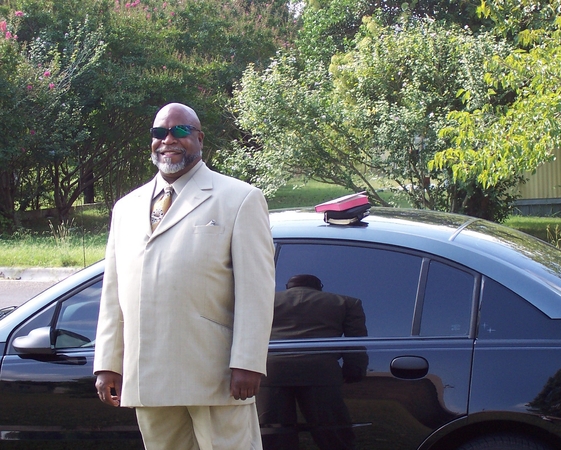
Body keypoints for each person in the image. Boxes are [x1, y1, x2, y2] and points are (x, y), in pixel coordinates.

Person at [94, 102, 275, 450]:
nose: (168, 140)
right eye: (159, 132)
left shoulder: (239, 198)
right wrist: (107, 363)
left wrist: (248, 362)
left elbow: (257, 290)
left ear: (200, 138)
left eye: (180, 131)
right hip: (148, 375)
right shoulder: (127, 207)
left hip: (214, 375)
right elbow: (113, 293)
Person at [257, 274, 368, 450]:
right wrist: (355, 369)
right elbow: (355, 340)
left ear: (288, 286)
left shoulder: (265, 300)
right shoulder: (347, 302)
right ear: (319, 287)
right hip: (321, 374)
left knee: (273, 434)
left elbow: (251, 334)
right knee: (333, 434)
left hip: (271, 372)